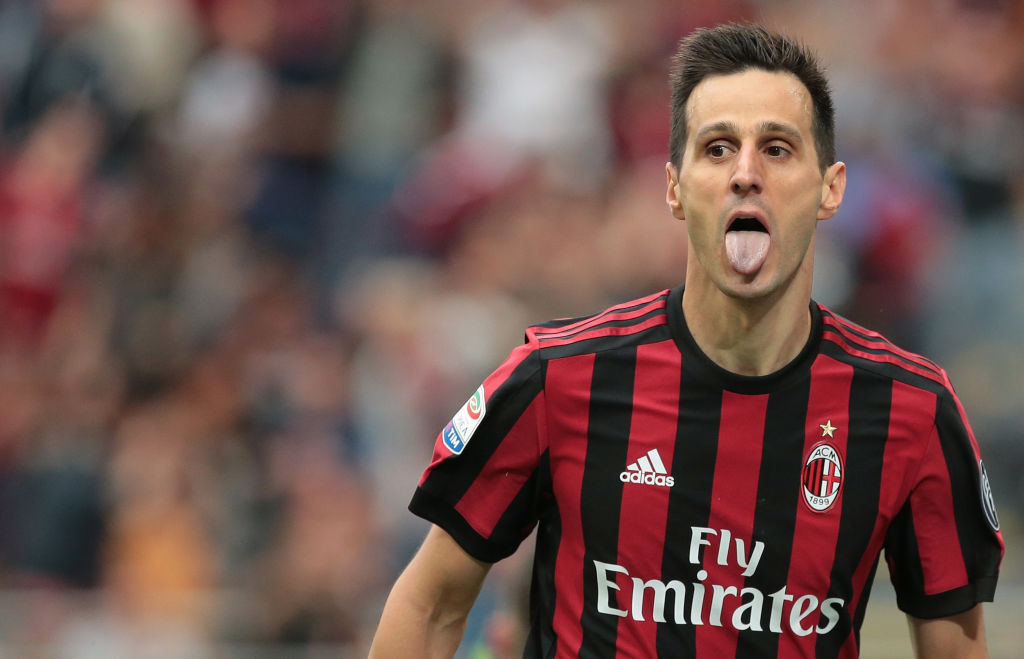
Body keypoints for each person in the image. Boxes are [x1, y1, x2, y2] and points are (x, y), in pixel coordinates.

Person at [369, 23, 1004, 658]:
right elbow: (429, 607)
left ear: (830, 187)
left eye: (778, 149)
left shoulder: (912, 414)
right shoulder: (556, 378)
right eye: (718, 148)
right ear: (675, 187)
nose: (746, 174)